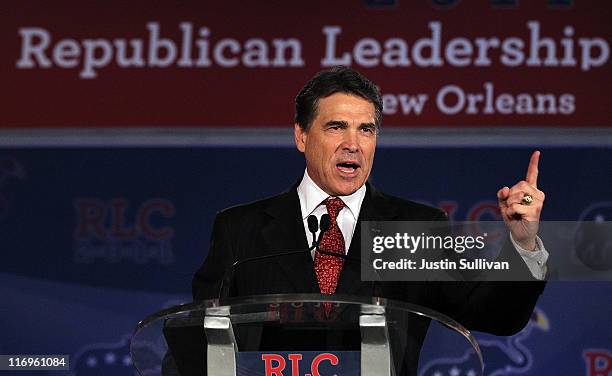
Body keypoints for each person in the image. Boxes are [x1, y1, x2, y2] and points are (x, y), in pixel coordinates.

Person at [192, 66, 547, 375]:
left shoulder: (412, 229)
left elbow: (496, 316)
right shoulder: (241, 228)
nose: (353, 144)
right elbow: (196, 341)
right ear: (301, 135)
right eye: (336, 127)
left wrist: (522, 242)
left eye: (366, 129)